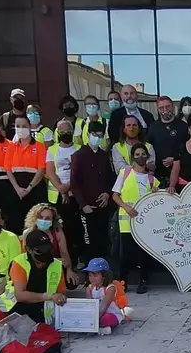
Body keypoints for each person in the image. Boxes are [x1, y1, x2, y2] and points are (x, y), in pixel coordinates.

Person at [112, 142, 158, 293]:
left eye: (143, 154)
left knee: (144, 254)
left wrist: (156, 192)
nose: (140, 157)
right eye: (137, 155)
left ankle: (143, 281)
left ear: (148, 156)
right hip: (127, 222)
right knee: (126, 254)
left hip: (145, 223)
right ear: (132, 158)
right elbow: (115, 196)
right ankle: (121, 283)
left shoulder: (152, 179)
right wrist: (126, 207)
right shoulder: (124, 173)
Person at [70, 121, 116, 263]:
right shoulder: (79, 155)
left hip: (103, 206)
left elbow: (110, 179)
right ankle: (91, 271)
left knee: (103, 239)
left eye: (100, 135)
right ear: (88, 134)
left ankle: (103, 269)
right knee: (89, 241)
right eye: (95, 135)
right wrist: (83, 204)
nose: (97, 138)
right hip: (87, 208)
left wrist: (107, 193)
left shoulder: (103, 155)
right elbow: (74, 183)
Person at [46, 118, 83, 265]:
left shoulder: (80, 148)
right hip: (57, 197)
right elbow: (49, 171)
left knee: (76, 228)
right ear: (57, 133)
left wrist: (67, 187)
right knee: (61, 228)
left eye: (68, 131)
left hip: (76, 195)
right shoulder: (52, 149)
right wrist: (61, 188)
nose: (65, 133)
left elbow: (81, 173)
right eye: (62, 131)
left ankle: (77, 259)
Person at [5, 114, 48, 234]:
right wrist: (17, 189)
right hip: (16, 188)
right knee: (15, 222)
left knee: (35, 221)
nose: (21, 128)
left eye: (24, 126)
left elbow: (41, 169)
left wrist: (29, 188)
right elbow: (8, 169)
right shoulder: (11, 147)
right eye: (18, 126)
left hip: (35, 188)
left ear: (30, 127)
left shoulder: (39, 146)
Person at [22, 203, 80, 287]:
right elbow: (26, 256)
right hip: (36, 264)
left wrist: (69, 269)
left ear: (53, 220)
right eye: (41, 217)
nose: (44, 220)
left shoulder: (57, 232)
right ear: (35, 218)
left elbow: (64, 252)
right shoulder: (28, 233)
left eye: (48, 218)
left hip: (54, 263)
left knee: (71, 283)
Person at [85, 257, 133, 334]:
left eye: (95, 275)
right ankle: (99, 328)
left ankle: (98, 328)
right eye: (90, 275)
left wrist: (93, 320)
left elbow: (103, 307)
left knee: (106, 318)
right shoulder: (89, 288)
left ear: (104, 275)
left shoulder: (110, 288)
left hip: (110, 313)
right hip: (94, 314)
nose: (92, 278)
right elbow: (89, 305)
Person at [149, 95, 187, 188]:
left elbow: (187, 149)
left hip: (180, 174)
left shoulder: (183, 126)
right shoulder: (153, 127)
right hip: (158, 175)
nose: (165, 110)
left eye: (167, 106)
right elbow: (149, 148)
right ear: (158, 109)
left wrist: (175, 159)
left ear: (173, 107)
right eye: (161, 108)